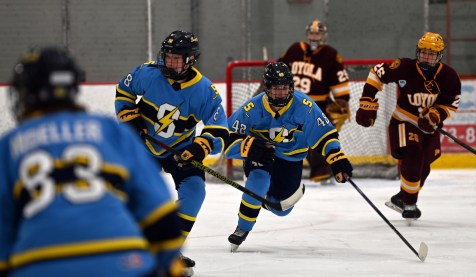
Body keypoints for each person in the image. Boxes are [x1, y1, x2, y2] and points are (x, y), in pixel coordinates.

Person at [0, 47, 185, 277]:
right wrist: (167, 265)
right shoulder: (111, 130)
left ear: (26, 91)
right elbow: (160, 211)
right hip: (124, 261)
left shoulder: (9, 145)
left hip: (40, 264)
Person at [114, 30, 229, 273]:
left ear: (190, 60)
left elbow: (220, 130)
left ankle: (169, 248)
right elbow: (124, 91)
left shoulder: (205, 91)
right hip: (144, 148)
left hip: (180, 151)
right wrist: (130, 118)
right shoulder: (148, 73)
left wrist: (200, 146)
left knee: (195, 191)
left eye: (177, 58)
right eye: (168, 56)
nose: (170, 62)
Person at [225, 62, 353, 251]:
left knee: (281, 208)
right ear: (267, 89)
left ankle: (261, 199)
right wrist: (248, 147)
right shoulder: (252, 107)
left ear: (291, 87)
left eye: (284, 88)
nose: (281, 93)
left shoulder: (305, 106)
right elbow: (226, 139)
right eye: (275, 89)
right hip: (262, 155)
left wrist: (337, 158)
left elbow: (324, 135)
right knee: (258, 180)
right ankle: (242, 228)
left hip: (290, 158)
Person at [355, 32, 462, 221]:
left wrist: (434, 115)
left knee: (424, 167)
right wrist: (367, 102)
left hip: (429, 127)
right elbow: (377, 73)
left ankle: (401, 197)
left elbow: (450, 106)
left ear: (439, 56)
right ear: (417, 52)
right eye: (423, 53)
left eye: (431, 54)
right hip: (403, 121)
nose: (426, 57)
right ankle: (410, 204)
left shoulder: (449, 76)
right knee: (413, 156)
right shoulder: (404, 67)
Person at [277, 19, 352, 185]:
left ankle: (324, 170)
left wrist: (341, 102)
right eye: (311, 33)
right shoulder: (294, 49)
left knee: (319, 138)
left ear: (324, 35)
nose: (314, 36)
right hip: (289, 104)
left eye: (317, 33)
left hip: (317, 106)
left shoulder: (331, 55)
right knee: (279, 135)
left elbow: (341, 86)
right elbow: (277, 70)